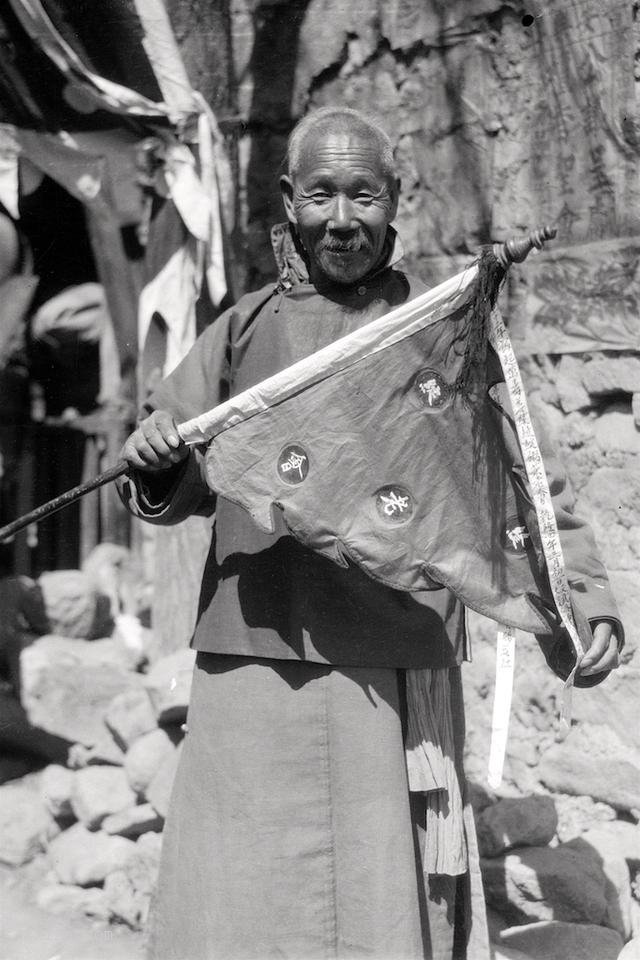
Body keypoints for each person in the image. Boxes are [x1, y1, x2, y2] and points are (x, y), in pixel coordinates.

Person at [119, 107, 622, 960]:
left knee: (381, 896)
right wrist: (158, 458)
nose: (343, 220)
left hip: (397, 649)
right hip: (256, 645)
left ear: (396, 203)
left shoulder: (443, 328)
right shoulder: (241, 331)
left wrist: (584, 598)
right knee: (242, 889)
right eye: (321, 195)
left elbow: (526, 471)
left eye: (364, 195)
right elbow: (170, 463)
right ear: (288, 200)